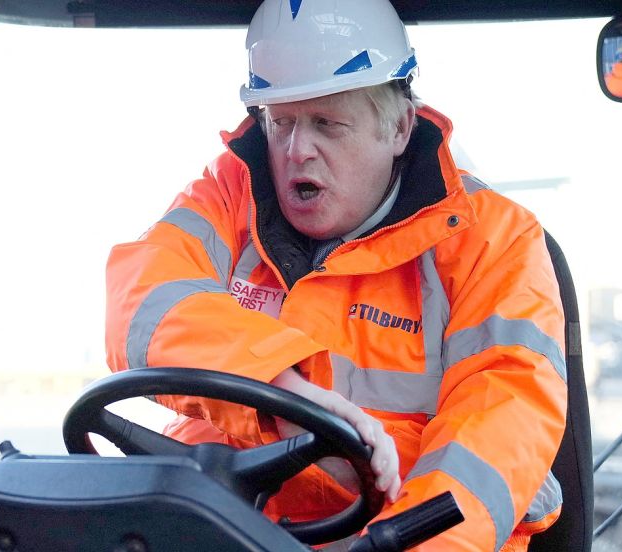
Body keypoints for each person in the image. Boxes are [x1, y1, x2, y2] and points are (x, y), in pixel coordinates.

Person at [105, 0, 567, 549]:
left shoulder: (493, 240)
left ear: (398, 127)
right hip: (215, 529)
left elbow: (499, 431)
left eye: (326, 122)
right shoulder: (231, 193)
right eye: (281, 123)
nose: (298, 151)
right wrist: (280, 394)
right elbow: (141, 298)